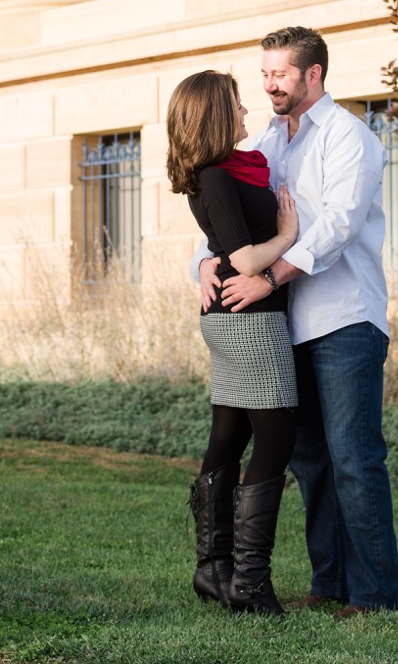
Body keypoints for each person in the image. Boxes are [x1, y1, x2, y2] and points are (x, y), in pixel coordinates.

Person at [202, 26, 398, 616]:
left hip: (345, 319)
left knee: (354, 459)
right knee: (310, 460)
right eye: (264, 74)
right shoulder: (264, 142)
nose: (268, 84)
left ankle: (375, 597)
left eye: (280, 74)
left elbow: (336, 227)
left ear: (313, 74)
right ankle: (331, 583)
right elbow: (234, 216)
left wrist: (268, 277)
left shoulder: (350, 138)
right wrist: (206, 264)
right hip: (287, 328)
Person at [167, 69, 300, 616]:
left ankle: (214, 568)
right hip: (250, 319)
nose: (246, 111)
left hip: (235, 316)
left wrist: (207, 258)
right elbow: (244, 259)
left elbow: (220, 248)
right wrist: (287, 236)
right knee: (275, 437)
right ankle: (248, 580)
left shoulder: (227, 172)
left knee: (229, 433)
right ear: (217, 114)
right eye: (237, 104)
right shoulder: (217, 175)